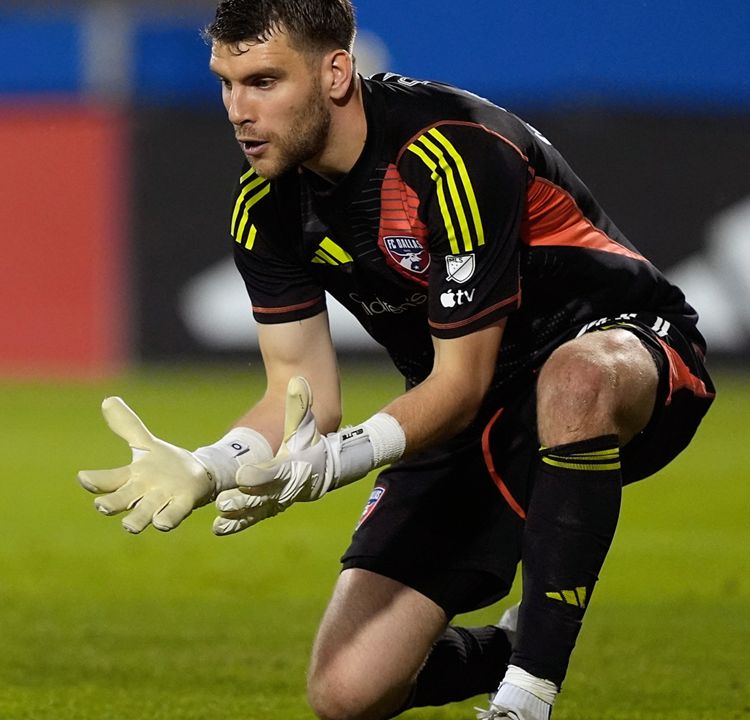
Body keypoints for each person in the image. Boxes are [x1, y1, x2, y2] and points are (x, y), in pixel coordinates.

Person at [77, 1, 715, 718]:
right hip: (467, 410)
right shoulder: (264, 208)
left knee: (575, 378)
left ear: (337, 73)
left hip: (624, 350)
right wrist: (210, 465)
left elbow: (461, 382)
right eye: (226, 83)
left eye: (262, 82)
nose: (237, 110)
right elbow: (299, 392)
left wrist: (335, 461)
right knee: (347, 693)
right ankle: (511, 645)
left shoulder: (449, 151)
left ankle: (527, 694)